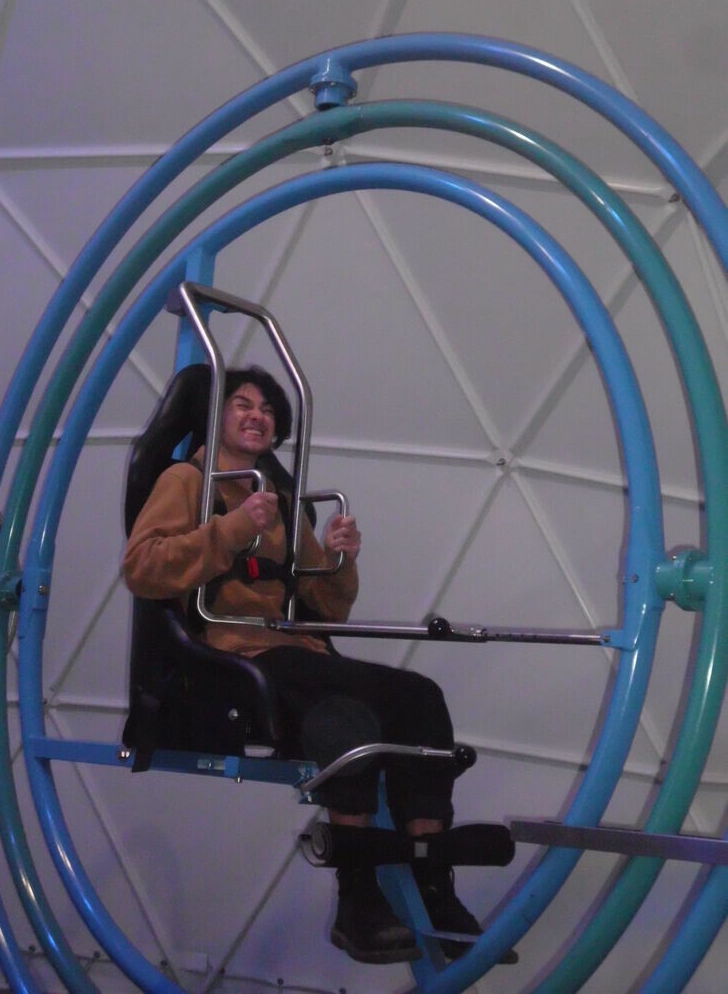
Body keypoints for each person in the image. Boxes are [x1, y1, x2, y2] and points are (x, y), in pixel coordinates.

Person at [123, 365, 487, 965]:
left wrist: (340, 560)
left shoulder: (281, 501)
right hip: (230, 654)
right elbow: (143, 568)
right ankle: (359, 896)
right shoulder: (187, 481)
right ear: (216, 417)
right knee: (339, 706)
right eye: (242, 404)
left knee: (415, 698)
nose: (256, 415)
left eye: (267, 409)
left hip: (295, 651)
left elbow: (329, 609)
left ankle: (432, 884)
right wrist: (231, 529)